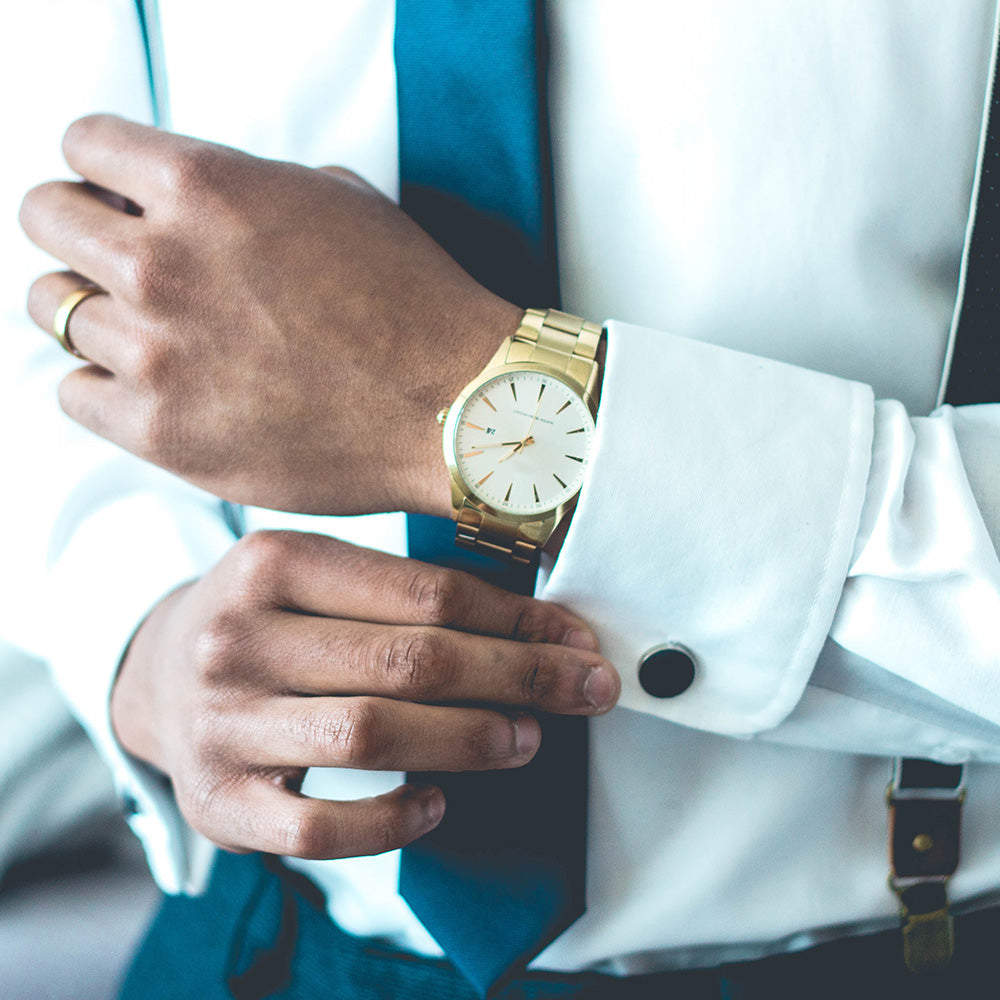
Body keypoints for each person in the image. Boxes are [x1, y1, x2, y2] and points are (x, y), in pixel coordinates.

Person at [8, 1, 1000, 997]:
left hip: (908, 957)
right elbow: (47, 301)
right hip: (263, 946)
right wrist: (135, 634)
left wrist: (472, 402)